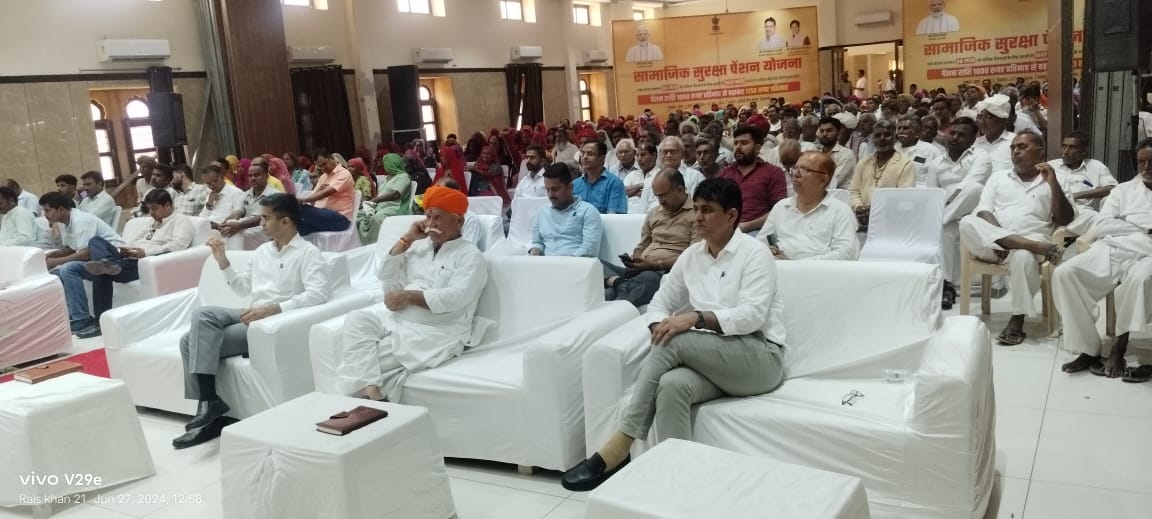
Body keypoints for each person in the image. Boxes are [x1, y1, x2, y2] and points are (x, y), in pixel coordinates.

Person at [561, 177, 786, 492]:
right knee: (671, 385)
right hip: (713, 358)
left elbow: (751, 317)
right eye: (697, 209)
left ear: (732, 216)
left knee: (676, 338)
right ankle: (676, 483)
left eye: (707, 210)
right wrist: (659, 324)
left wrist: (694, 318)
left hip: (759, 358)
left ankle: (622, 440)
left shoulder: (754, 253)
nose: (698, 217)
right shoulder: (692, 255)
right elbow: (659, 303)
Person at [173, 194, 329, 449]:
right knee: (203, 314)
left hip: (274, 322)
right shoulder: (261, 252)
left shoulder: (308, 253)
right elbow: (243, 287)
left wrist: (274, 309)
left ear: (286, 221)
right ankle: (210, 403)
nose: (261, 224)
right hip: (251, 311)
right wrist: (223, 261)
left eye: (266, 218)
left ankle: (209, 412)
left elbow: (318, 294)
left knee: (188, 342)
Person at [336, 186, 488, 401]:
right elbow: (386, 276)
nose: (432, 223)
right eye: (428, 217)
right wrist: (407, 238)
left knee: (360, 359)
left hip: (437, 330)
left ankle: (368, 396)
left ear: (459, 221)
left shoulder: (471, 256)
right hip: (398, 320)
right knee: (356, 319)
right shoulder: (418, 247)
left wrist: (408, 297)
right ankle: (371, 389)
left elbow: (457, 297)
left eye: (438, 217)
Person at [959, 133, 1074, 345]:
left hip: (1032, 240)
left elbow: (1065, 218)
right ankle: (1022, 244)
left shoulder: (1056, 179)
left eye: (1022, 147)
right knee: (967, 222)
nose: (1015, 151)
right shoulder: (998, 177)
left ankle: (1017, 319)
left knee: (1022, 257)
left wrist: (1053, 184)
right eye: (1012, 148)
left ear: (1040, 151)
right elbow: (984, 210)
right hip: (997, 245)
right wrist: (1000, 237)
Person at [1054, 139, 1152, 379]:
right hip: (1113, 247)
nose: (1146, 167)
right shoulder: (1123, 190)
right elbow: (1103, 225)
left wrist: (1125, 224)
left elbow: (1113, 225)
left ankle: (1120, 347)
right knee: (1065, 273)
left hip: (1148, 252)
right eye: (1141, 162)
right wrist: (1145, 228)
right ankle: (1088, 349)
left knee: (1140, 279)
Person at [79, 190, 196, 338]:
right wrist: (126, 249)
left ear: (167, 205)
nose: (151, 213)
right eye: (149, 209)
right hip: (128, 258)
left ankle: (99, 323)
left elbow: (178, 245)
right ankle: (106, 262)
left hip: (144, 262)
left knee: (101, 273)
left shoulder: (180, 221)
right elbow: (136, 241)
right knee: (96, 241)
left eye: (155, 208)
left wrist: (146, 253)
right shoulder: (153, 222)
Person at [926, 117, 994, 308]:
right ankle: (946, 285)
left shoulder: (981, 156)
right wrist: (943, 209)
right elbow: (932, 194)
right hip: (949, 217)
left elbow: (969, 184)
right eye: (952, 133)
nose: (955, 137)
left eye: (961, 135)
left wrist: (946, 204)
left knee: (974, 188)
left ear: (973, 139)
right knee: (945, 230)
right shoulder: (936, 163)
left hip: (975, 214)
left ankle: (939, 221)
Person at [605, 169, 698, 307]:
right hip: (640, 269)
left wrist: (655, 265)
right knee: (594, 264)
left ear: (679, 190)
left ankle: (619, 286)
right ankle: (620, 283)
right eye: (657, 196)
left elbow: (693, 256)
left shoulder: (697, 214)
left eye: (664, 196)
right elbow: (642, 244)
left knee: (610, 294)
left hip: (664, 272)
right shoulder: (654, 212)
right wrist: (636, 259)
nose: (660, 201)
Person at [39, 192, 125, 337]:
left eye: (47, 211)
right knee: (55, 274)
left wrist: (55, 262)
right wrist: (48, 256)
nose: (45, 215)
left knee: (68, 269)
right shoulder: (64, 223)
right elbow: (70, 248)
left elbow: (84, 254)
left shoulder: (81, 220)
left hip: (112, 261)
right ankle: (72, 314)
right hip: (92, 261)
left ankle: (83, 318)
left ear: (61, 209)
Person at [760, 151, 858, 260]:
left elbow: (847, 253)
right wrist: (769, 252)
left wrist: (796, 264)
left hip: (819, 270)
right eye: (795, 168)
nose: (796, 174)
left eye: (804, 170)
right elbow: (761, 242)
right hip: (778, 267)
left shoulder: (840, 211)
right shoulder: (781, 207)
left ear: (823, 179)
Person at [716, 125, 787, 235]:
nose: (738, 147)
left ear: (757, 148)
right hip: (726, 230)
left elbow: (779, 211)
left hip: (759, 230)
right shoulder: (724, 173)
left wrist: (746, 226)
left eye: (744, 143)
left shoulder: (773, 173)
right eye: (736, 143)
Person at [848, 120, 916, 232]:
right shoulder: (864, 162)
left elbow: (904, 198)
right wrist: (858, 207)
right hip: (861, 220)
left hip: (891, 222)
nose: (882, 139)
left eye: (887, 135)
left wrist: (874, 211)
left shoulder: (905, 164)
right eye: (878, 135)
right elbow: (853, 190)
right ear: (873, 139)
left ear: (895, 138)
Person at [530, 163, 602, 257]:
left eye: (555, 189)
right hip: (545, 263)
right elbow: (537, 243)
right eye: (547, 190)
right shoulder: (542, 212)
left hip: (576, 264)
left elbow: (590, 249)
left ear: (570, 187)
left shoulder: (588, 212)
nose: (550, 195)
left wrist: (565, 262)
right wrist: (536, 250)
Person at [219, 157, 282, 250]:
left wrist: (240, 225)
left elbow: (262, 218)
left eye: (257, 175)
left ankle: (233, 258)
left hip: (266, 231)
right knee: (228, 228)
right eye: (250, 176)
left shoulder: (275, 195)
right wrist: (225, 222)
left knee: (236, 234)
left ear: (266, 176)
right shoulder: (246, 194)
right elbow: (238, 211)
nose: (253, 178)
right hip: (248, 228)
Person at [1047, 131, 1117, 209]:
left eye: (1072, 147)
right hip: (1055, 210)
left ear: (1084, 151)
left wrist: (1075, 195)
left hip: (1083, 211)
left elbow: (1112, 188)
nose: (1066, 151)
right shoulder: (1051, 166)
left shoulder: (1096, 166)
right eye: (1064, 146)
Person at [357, 153, 413, 244]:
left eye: (386, 164)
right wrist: (370, 203)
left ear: (392, 164)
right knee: (358, 214)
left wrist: (375, 200)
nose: (384, 166)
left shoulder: (403, 176)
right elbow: (381, 194)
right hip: (379, 206)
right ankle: (361, 241)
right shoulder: (388, 177)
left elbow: (396, 194)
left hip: (393, 207)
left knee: (377, 218)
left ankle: (374, 243)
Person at [296, 151, 355, 235]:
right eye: (320, 167)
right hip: (322, 216)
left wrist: (303, 200)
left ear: (332, 159)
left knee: (301, 209)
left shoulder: (344, 174)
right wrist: (318, 190)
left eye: (324, 164)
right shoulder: (323, 177)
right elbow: (313, 201)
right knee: (295, 226)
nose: (323, 169)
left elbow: (325, 193)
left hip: (340, 218)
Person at [639, 137, 705, 212]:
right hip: (654, 219)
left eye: (672, 151)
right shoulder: (650, 181)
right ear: (659, 154)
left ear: (682, 153)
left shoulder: (695, 177)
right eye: (665, 152)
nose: (668, 155)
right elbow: (642, 210)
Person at [894, 115, 943, 187]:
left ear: (917, 133)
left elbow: (942, 176)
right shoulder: (892, 149)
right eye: (899, 128)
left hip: (922, 192)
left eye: (905, 128)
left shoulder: (932, 150)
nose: (901, 131)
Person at [974, 94, 1016, 173]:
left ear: (1004, 120)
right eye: (980, 117)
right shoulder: (975, 144)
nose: (982, 122)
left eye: (988, 117)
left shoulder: (1014, 142)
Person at [198, 165, 246, 230]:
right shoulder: (211, 194)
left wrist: (220, 226)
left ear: (221, 177)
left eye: (213, 182)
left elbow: (237, 215)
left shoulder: (236, 192)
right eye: (208, 184)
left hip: (224, 229)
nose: (211, 186)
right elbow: (201, 218)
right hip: (206, 228)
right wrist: (209, 204)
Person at [816, 117, 858, 188]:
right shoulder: (816, 154)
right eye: (821, 131)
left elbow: (833, 181)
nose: (824, 134)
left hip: (839, 193)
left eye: (829, 130)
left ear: (838, 133)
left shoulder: (846, 154)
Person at [625, 142, 660, 214]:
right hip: (627, 216)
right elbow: (621, 192)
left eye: (643, 155)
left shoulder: (660, 176)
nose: (639, 159)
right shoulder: (632, 175)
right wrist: (642, 185)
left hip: (649, 216)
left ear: (654, 156)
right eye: (637, 155)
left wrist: (632, 192)